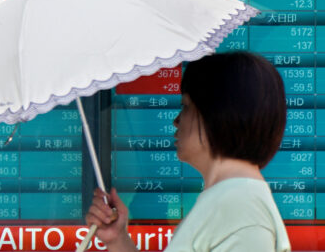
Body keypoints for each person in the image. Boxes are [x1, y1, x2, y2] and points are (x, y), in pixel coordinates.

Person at [85, 51, 290, 252]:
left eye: (185, 107)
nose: (176, 121)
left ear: (217, 114)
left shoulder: (240, 208)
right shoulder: (234, 202)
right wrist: (118, 239)